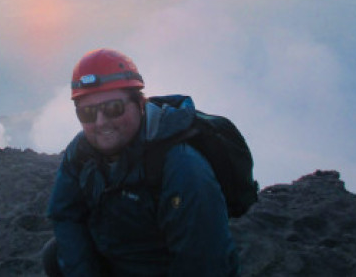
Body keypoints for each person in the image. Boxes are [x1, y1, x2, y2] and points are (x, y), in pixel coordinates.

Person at [44, 48, 240, 276]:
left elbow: (201, 262)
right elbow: (65, 214)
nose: (100, 122)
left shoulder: (182, 167)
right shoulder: (81, 151)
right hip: (120, 255)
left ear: (140, 104)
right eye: (87, 113)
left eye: (113, 108)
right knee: (55, 254)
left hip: (163, 266)